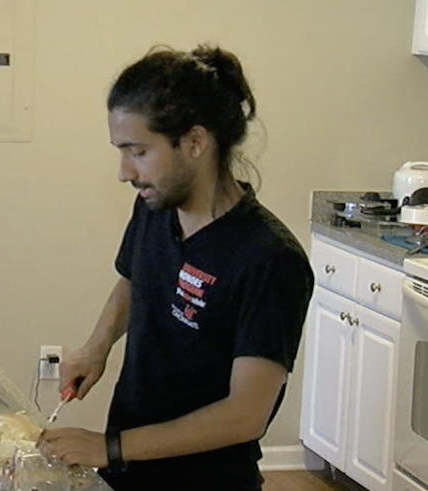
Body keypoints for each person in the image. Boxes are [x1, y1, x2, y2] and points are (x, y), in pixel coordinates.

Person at [39, 45, 316, 491]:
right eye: (120, 150)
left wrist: (109, 447)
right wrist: (98, 345)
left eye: (138, 151)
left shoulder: (270, 259)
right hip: (130, 472)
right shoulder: (154, 207)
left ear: (194, 142)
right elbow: (135, 278)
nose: (124, 171)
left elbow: (245, 415)